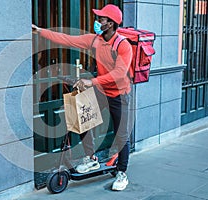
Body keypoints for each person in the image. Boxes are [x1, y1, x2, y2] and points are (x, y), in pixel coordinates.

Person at [32, 4, 133, 191]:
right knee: (81, 115)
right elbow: (68, 39)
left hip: (120, 94)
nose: (98, 21)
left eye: (101, 19)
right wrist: (41, 32)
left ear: (110, 24)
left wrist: (92, 82)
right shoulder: (95, 40)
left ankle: (122, 172)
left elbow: (120, 73)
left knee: (122, 134)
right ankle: (91, 158)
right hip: (102, 90)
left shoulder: (123, 45)